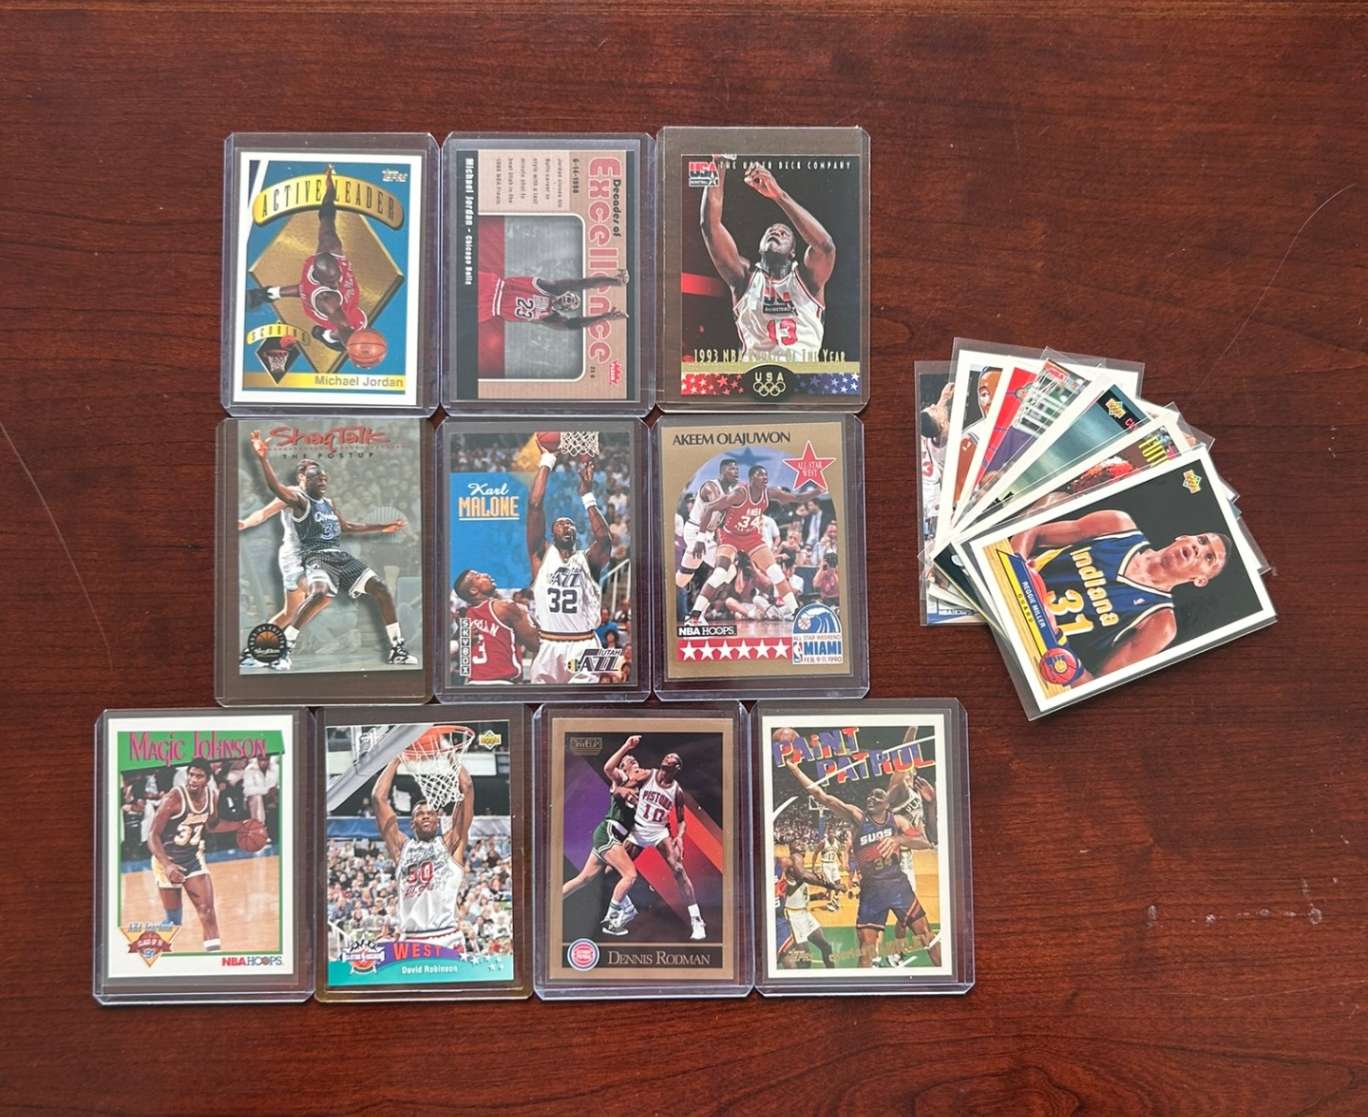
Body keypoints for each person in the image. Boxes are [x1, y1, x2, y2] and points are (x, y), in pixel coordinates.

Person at [248, 430, 415, 670]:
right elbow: (276, 488)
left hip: (338, 556)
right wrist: (263, 459)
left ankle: (397, 649)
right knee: (320, 594)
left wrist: (382, 527)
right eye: (317, 477)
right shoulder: (299, 500)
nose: (323, 481)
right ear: (304, 479)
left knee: (381, 588)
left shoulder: (328, 503)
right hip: (315, 556)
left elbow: (347, 527)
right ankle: (284, 650)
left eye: (325, 478)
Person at [1011, 510, 1230, 683]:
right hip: (1010, 591)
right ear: (1183, 537)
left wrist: (1055, 639)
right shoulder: (1118, 526)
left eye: (1209, 557)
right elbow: (1033, 532)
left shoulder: (1160, 623)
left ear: (1200, 580)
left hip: (1032, 650)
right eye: (1202, 540)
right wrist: (1018, 568)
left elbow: (1093, 685)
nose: (1198, 548)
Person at [784, 759, 940, 968]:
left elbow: (926, 841)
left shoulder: (897, 821)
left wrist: (902, 835)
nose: (871, 798)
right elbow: (821, 796)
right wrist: (795, 770)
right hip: (871, 891)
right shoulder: (858, 817)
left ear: (887, 803)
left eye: (878, 796)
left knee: (927, 936)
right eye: (870, 795)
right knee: (866, 951)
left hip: (897, 885)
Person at [699, 158, 836, 362]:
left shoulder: (807, 279)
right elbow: (709, 226)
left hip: (802, 376)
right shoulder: (744, 278)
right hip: (754, 375)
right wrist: (718, 162)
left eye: (784, 233)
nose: (776, 232)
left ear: (793, 252)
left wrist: (779, 195)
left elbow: (826, 247)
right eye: (770, 231)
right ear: (760, 247)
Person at [247, 165, 376, 356]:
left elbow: (326, 217)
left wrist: (330, 190)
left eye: (336, 277)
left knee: (327, 232)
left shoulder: (330, 248)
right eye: (332, 280)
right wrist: (357, 347)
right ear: (321, 278)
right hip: (336, 307)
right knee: (357, 323)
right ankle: (327, 335)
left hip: (323, 298)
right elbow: (343, 327)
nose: (336, 283)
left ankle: (267, 295)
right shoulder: (328, 300)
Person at [525, 444, 611, 684]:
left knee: (585, 702)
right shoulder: (541, 555)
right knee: (542, 701)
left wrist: (587, 495)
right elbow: (534, 505)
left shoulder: (588, 560)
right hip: (548, 642)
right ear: (551, 532)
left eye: (571, 524)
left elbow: (604, 539)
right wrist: (548, 459)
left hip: (586, 642)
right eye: (561, 523)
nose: (567, 526)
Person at [146, 758, 250, 951]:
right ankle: (150, 946)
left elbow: (212, 826)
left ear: (207, 779)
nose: (193, 779)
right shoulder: (173, 798)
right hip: (167, 861)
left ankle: (213, 960)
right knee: (174, 922)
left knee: (207, 912)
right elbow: (152, 835)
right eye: (191, 775)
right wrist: (167, 865)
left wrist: (240, 825)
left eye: (199, 776)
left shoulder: (212, 796)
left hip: (193, 860)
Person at [373, 754, 474, 951]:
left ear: (438, 821)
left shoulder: (451, 844)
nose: (426, 816)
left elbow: (467, 787)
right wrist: (396, 757)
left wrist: (449, 753)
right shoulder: (402, 848)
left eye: (431, 813)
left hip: (447, 938)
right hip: (411, 940)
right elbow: (378, 798)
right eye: (420, 814)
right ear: (412, 823)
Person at [686, 464, 809, 623]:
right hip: (730, 537)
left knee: (776, 572)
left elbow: (798, 498)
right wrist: (700, 538)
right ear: (751, 479)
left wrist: (819, 490)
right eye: (760, 475)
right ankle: (694, 615)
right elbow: (709, 507)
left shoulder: (769, 493)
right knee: (720, 574)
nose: (765, 477)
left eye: (766, 474)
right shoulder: (739, 493)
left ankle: (796, 612)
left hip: (751, 537)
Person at [607, 749, 707, 941]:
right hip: (638, 831)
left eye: (672, 758)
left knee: (679, 870)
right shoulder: (647, 775)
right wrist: (624, 792)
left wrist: (680, 836)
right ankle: (627, 909)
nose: (667, 757)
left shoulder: (676, 791)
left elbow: (681, 820)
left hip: (659, 833)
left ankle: (697, 920)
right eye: (666, 756)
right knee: (609, 871)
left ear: (676, 767)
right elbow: (619, 790)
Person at [237, 458, 323, 665]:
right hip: (293, 557)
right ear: (301, 476)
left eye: (318, 474)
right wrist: (246, 522)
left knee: (289, 613)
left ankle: (252, 651)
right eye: (311, 474)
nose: (316, 478)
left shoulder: (322, 501)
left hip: (312, 558)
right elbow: (263, 513)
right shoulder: (291, 494)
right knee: (321, 594)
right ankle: (285, 648)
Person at [561, 736, 648, 934]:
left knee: (584, 879)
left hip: (612, 836)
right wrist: (626, 746)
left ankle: (552, 901)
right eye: (629, 761)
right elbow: (608, 768)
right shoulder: (621, 779)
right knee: (630, 875)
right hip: (608, 832)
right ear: (623, 768)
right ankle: (611, 920)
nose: (633, 760)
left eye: (635, 760)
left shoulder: (641, 788)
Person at [450, 569, 540, 683]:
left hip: (473, 683)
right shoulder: (505, 607)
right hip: (503, 683)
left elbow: (464, 665)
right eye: (478, 576)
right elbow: (535, 644)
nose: (486, 574)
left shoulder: (464, 616)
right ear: (473, 590)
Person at [478, 268, 629, 331]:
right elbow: (579, 284)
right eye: (571, 297)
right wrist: (613, 281)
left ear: (565, 310)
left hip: (489, 310)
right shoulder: (549, 289)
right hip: (490, 287)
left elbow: (572, 324)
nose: (570, 300)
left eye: (572, 304)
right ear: (566, 293)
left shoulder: (549, 316)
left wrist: (603, 318)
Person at [776, 839, 837, 969]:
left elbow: (798, 894)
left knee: (826, 947)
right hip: (793, 916)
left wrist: (815, 896)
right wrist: (832, 885)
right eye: (798, 844)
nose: (802, 845)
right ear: (792, 850)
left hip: (804, 913)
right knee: (805, 960)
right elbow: (791, 889)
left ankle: (832, 975)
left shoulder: (801, 869)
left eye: (802, 843)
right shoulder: (791, 869)